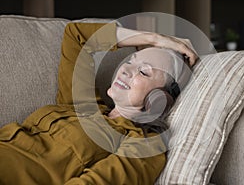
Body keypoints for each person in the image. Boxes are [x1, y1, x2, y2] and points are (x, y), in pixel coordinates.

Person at [0, 22, 197, 185]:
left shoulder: (144, 144)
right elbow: (75, 35)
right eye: (130, 61)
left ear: (160, 99)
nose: (125, 70)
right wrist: (153, 39)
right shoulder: (83, 104)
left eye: (143, 71)